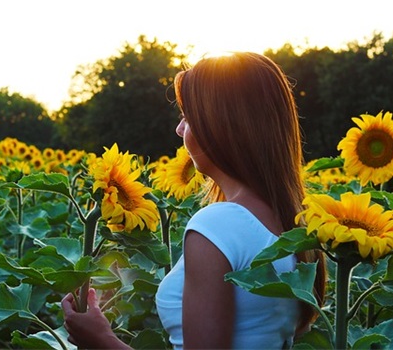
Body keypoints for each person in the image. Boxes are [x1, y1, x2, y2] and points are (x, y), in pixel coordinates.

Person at [61, 52, 327, 349]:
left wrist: (101, 339)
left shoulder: (219, 224)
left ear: (220, 124)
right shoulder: (293, 223)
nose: (179, 129)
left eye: (188, 117)